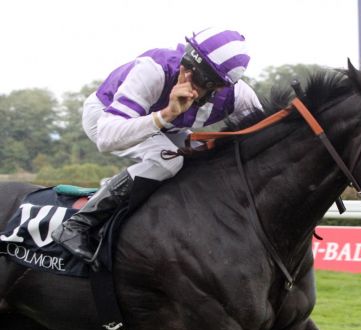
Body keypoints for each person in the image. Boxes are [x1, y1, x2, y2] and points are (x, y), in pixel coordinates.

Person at [51, 27, 262, 262]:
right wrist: (166, 114)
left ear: (220, 87)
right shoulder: (153, 71)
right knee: (167, 159)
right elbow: (106, 138)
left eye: (200, 75)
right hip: (105, 119)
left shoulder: (239, 96)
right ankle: (78, 225)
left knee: (203, 160)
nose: (186, 73)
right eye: (187, 61)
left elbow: (265, 140)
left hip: (170, 127)